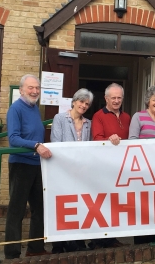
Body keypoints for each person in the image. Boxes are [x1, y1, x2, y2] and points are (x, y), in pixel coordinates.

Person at [5, 74, 52, 259]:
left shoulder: (34, 108)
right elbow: (13, 138)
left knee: (39, 207)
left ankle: (35, 247)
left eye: (37, 88)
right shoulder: (15, 109)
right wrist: (35, 145)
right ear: (22, 89)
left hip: (37, 164)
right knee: (16, 210)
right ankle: (12, 252)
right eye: (31, 88)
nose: (34, 91)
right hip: (21, 164)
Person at [50, 88, 93, 253]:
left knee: (78, 205)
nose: (83, 106)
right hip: (63, 169)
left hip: (81, 172)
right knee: (63, 205)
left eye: (87, 104)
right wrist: (70, 165)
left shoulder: (88, 123)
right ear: (74, 101)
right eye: (81, 102)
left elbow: (88, 147)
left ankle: (76, 240)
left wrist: (82, 166)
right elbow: (56, 142)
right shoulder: (60, 118)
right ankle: (59, 243)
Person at [129, 85, 155, 244]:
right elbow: (132, 140)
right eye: (154, 99)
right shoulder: (138, 117)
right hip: (142, 168)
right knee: (142, 205)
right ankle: (140, 242)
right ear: (148, 101)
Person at [90, 83, 130, 249]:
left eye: (119, 97)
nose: (116, 101)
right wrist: (108, 140)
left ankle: (113, 238)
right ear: (106, 98)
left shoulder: (127, 117)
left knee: (118, 203)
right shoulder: (98, 116)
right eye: (112, 97)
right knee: (103, 203)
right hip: (104, 166)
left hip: (121, 166)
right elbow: (96, 138)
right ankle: (99, 240)